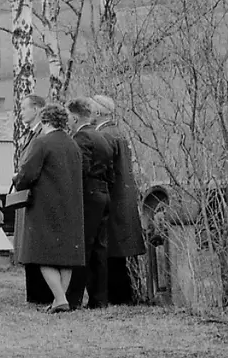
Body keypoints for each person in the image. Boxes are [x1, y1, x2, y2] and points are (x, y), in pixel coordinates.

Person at [12, 103, 86, 314]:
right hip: (71, 206)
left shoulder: (42, 143)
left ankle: (60, 299)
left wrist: (17, 179)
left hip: (45, 205)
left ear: (45, 121)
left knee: (43, 255)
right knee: (65, 257)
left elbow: (27, 174)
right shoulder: (73, 145)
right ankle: (59, 300)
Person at [93, 94, 147, 305]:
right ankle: (124, 295)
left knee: (111, 250)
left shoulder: (105, 136)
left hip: (112, 199)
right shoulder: (118, 133)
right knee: (119, 250)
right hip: (123, 198)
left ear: (97, 113)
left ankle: (117, 296)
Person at [65, 97, 115, 310]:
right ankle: (99, 298)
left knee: (82, 247)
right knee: (99, 248)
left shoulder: (80, 139)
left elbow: (80, 172)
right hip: (103, 193)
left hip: (87, 195)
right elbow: (111, 172)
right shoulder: (102, 137)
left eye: (68, 117)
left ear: (75, 118)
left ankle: (74, 298)